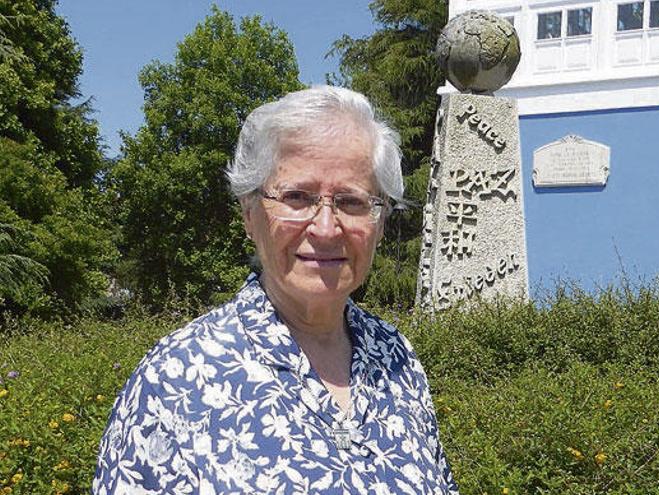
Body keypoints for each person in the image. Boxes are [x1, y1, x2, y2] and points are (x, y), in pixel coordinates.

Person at [93, 86, 459, 494]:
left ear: (381, 221)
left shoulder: (397, 360)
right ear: (250, 214)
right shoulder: (175, 381)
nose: (324, 228)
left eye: (352, 202)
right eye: (297, 198)